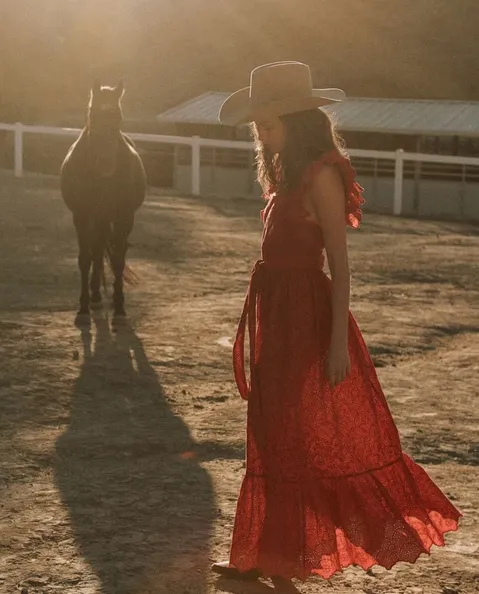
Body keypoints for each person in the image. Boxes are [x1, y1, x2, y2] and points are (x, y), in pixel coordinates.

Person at [211, 62, 461, 593]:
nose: (260, 134)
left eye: (267, 123)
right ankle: (260, 553)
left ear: (296, 119)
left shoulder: (323, 173)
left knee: (295, 437)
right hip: (276, 312)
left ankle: (284, 560)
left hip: (306, 314)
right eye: (257, 125)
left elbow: (340, 267)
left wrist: (335, 346)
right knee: (268, 430)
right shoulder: (283, 174)